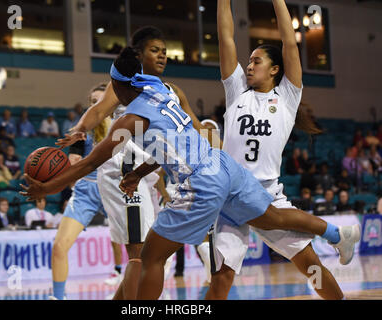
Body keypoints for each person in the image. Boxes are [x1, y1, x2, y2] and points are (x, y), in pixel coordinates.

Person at [21, 47, 360, 301]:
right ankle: (334, 231)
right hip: (224, 166)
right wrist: (139, 172)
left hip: (200, 183)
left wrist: (47, 186)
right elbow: (170, 144)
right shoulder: (160, 88)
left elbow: (89, 163)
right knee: (272, 216)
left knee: (151, 257)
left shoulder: (130, 120)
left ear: (120, 87)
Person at [54, 26, 215, 298]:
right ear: (139, 54)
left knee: (146, 258)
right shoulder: (124, 85)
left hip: (148, 177)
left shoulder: (171, 91)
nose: (162, 56)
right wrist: (80, 128)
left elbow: (199, 130)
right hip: (125, 178)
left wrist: (218, 149)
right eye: (155, 51)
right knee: (140, 256)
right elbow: (98, 110)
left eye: (165, 52)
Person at [204, 0, 347, 300]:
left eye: (257, 61)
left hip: (268, 194)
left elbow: (289, 44)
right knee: (222, 278)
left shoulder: (287, 97)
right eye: (250, 60)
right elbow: (225, 35)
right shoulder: (236, 92)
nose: (249, 65)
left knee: (311, 266)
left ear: (275, 69)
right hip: (230, 198)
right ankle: (334, 233)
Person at [49, 84, 112, 300]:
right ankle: (58, 297)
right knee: (59, 247)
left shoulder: (125, 126)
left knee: (137, 250)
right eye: (93, 102)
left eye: (101, 100)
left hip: (116, 190)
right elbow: (73, 160)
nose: (96, 105)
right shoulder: (82, 129)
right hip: (86, 191)